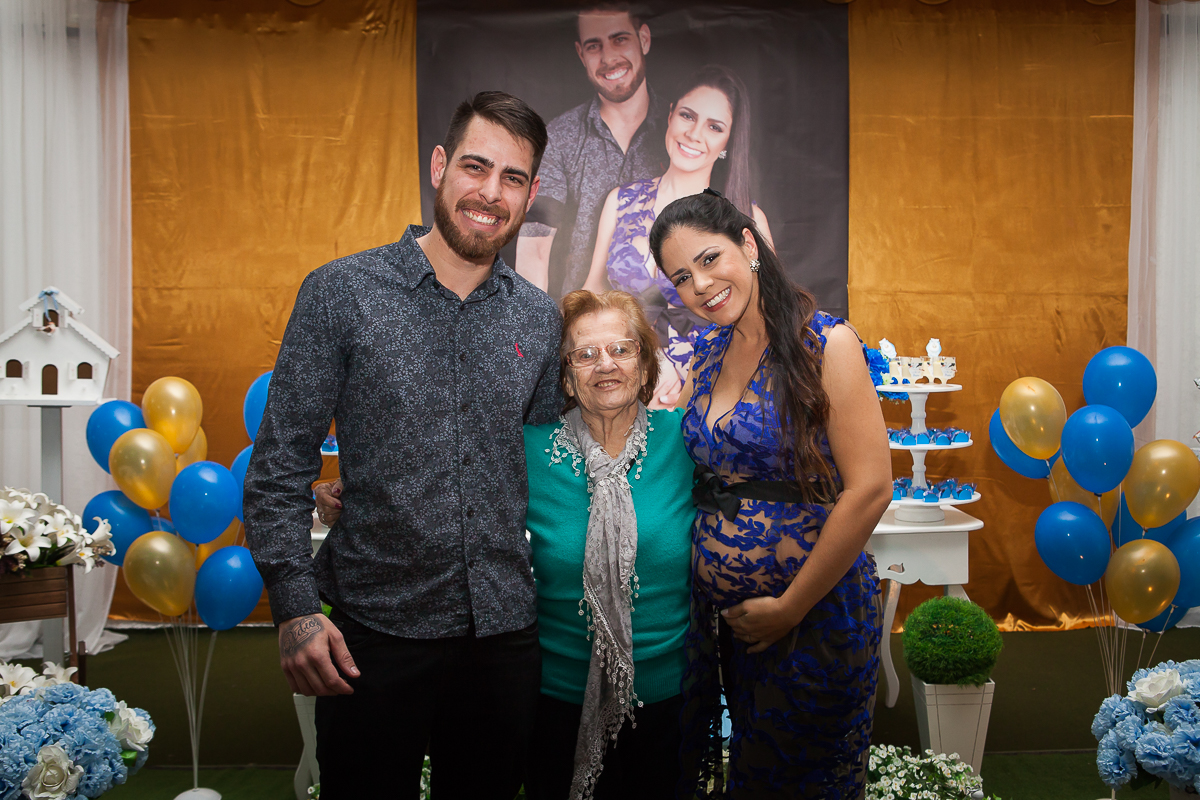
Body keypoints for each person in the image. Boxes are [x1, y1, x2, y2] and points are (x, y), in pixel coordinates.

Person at [243, 91, 563, 800]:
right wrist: (295, 608)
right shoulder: (341, 293)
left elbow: (545, 473)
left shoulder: (540, 321)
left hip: (504, 634)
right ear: (440, 165)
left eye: (513, 178)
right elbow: (279, 465)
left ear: (531, 192)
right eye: (476, 168)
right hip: (375, 635)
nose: (490, 193)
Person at [317, 290, 697, 800]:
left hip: (671, 700)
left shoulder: (691, 442)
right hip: (555, 703)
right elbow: (439, 486)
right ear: (563, 375)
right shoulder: (526, 450)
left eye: (621, 349)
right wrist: (351, 496)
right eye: (583, 354)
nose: (604, 364)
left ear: (645, 364)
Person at [648, 189, 891, 799]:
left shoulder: (825, 343)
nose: (699, 285)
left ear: (748, 246)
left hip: (815, 619)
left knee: (806, 783)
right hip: (728, 630)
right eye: (681, 276)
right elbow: (666, 446)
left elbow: (870, 489)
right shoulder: (705, 355)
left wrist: (791, 608)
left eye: (709, 259)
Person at [583, 64, 771, 406]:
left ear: (728, 141)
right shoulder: (620, 201)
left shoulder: (746, 217)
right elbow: (592, 294)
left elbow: (766, 318)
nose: (695, 134)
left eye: (714, 126)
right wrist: (644, 359)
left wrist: (691, 382)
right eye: (688, 116)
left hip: (718, 391)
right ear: (670, 116)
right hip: (627, 386)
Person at [516, 3, 666, 299]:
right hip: (579, 324)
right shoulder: (560, 137)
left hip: (666, 327)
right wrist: (535, 330)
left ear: (644, 40)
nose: (608, 57)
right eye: (594, 46)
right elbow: (534, 250)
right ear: (581, 54)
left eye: (620, 39)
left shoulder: (681, 133)